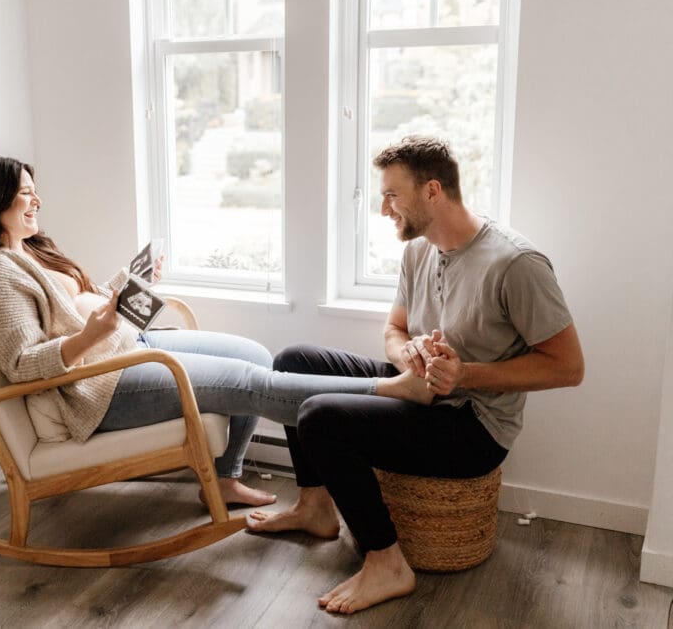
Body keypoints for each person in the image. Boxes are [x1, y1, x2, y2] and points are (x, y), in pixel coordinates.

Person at [0, 155, 435, 507]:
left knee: (255, 354)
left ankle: (224, 479)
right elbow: (21, 365)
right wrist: (91, 337)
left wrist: (135, 280)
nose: (38, 200)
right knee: (250, 385)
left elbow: (87, 301)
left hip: (125, 346)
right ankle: (385, 389)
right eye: (25, 192)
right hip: (95, 390)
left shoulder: (31, 249)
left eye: (36, 189)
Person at [248, 135, 585, 614]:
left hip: (472, 425)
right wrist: (406, 354)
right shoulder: (419, 249)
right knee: (294, 362)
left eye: (392, 195)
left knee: (319, 416)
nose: (385, 209)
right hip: (417, 390)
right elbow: (395, 327)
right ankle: (315, 507)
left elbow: (569, 367)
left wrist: (463, 374)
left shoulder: (516, 264)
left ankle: (386, 563)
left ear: (431, 191)